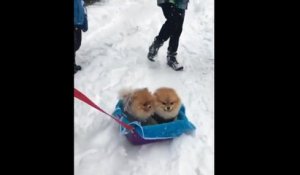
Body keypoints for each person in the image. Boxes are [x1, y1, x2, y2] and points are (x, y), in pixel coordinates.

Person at [147, 0, 189, 71]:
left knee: (178, 27)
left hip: (181, 2)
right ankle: (156, 45)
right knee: (173, 21)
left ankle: (171, 56)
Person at [74, 0, 88, 74]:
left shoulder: (81, 1)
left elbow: (84, 11)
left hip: (78, 25)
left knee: (77, 45)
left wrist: (84, 25)